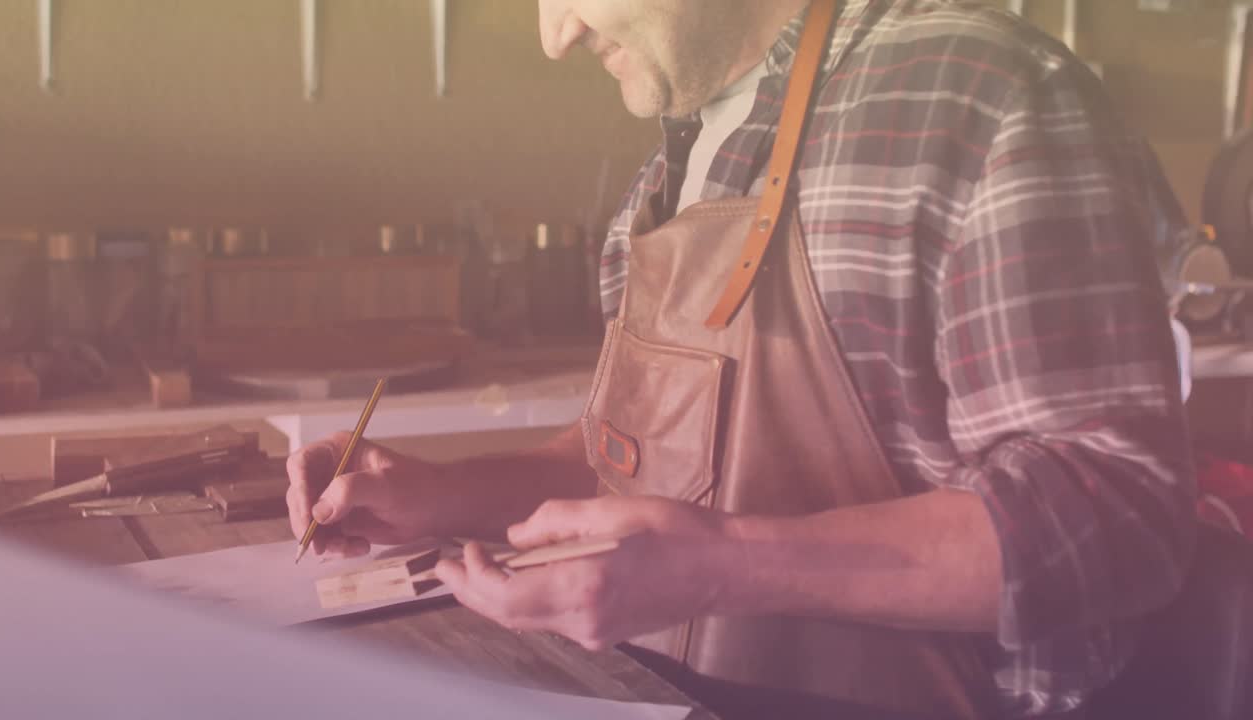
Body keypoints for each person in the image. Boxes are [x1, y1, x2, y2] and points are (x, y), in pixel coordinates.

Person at [287, 1, 1196, 717]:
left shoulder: (981, 94)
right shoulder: (675, 160)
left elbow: (1118, 518)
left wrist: (727, 564)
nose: (554, 33)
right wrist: (433, 496)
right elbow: (626, 457)